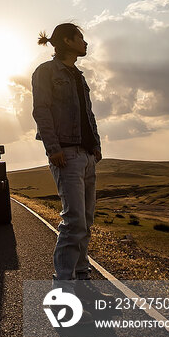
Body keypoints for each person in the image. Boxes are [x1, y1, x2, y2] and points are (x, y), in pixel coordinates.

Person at [31, 23, 102, 286]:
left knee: (86, 221)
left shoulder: (78, 76)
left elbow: (88, 114)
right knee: (74, 223)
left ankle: (83, 281)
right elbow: (41, 110)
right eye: (80, 38)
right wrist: (53, 149)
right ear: (67, 40)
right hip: (66, 155)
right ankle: (62, 287)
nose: (85, 42)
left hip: (86, 156)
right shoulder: (46, 72)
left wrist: (96, 147)